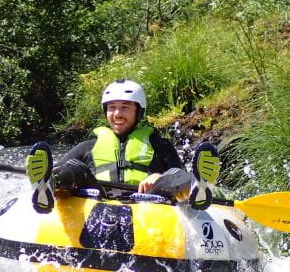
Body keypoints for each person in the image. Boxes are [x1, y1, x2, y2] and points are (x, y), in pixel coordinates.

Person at [27, 79, 207, 213]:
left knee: (173, 176)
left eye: (125, 107)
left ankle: (200, 188)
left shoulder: (159, 144)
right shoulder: (88, 146)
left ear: (139, 111)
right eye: (112, 107)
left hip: (149, 201)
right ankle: (46, 186)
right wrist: (55, 173)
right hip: (96, 198)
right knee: (72, 168)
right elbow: (63, 167)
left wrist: (158, 176)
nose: (117, 114)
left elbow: (179, 174)